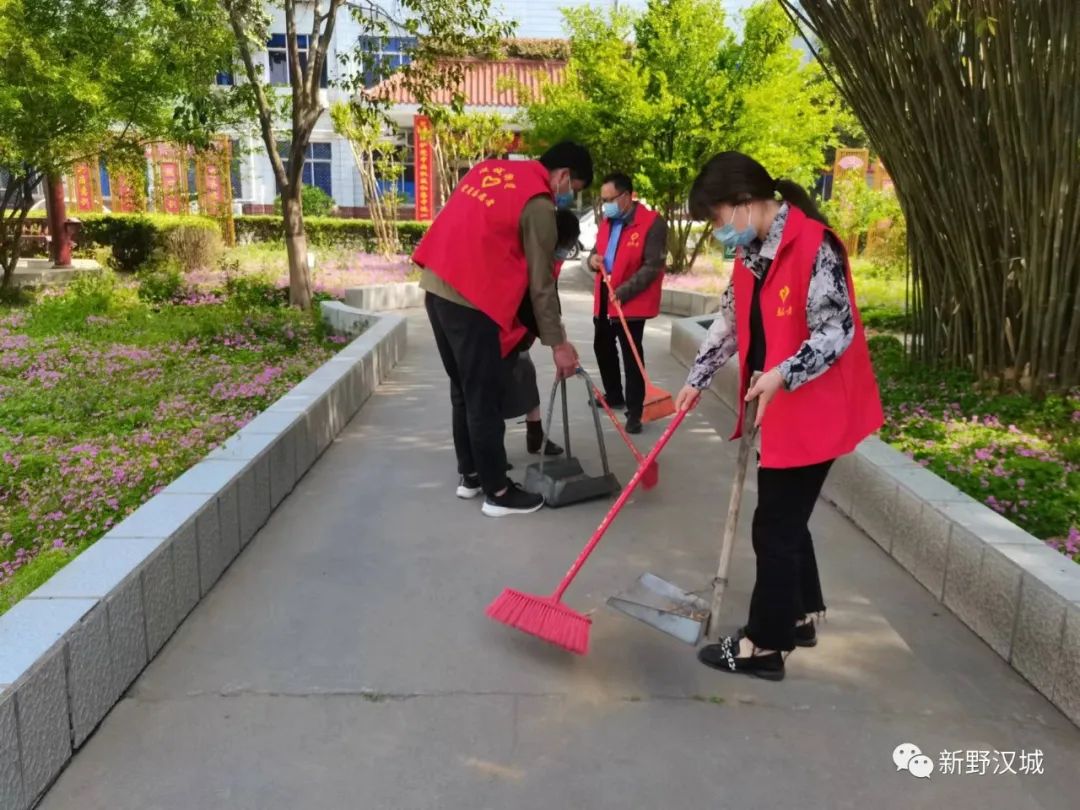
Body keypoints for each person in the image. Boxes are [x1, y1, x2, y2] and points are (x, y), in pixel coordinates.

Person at [675, 152, 883, 680]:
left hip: (817, 410)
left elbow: (837, 331)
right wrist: (694, 381)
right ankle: (800, 614)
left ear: (745, 204)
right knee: (788, 520)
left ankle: (765, 646)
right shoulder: (751, 255)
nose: (720, 231)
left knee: (774, 528)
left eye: (719, 220)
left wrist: (783, 373)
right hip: (784, 406)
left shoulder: (815, 247)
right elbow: (727, 321)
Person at [412, 142, 592, 518]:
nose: (566, 195)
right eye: (571, 188)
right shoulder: (539, 203)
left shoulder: (488, 170)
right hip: (472, 302)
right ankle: (498, 492)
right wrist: (557, 344)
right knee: (484, 398)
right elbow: (540, 281)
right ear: (561, 176)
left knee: (463, 391)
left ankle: (472, 475)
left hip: (437, 288)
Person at [586, 173, 667, 434]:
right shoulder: (607, 220)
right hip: (605, 297)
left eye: (611, 199)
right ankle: (613, 394)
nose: (606, 205)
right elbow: (595, 251)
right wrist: (592, 261)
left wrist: (623, 291)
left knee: (632, 355)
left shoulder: (652, 223)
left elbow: (652, 265)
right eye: (604, 200)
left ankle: (635, 411)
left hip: (630, 302)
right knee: (603, 346)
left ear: (627, 196)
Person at [501, 209, 582, 457]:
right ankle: (490, 457)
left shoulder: (550, 259)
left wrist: (561, 337)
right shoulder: (527, 258)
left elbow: (550, 296)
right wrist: (557, 345)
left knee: (526, 374)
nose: (563, 253)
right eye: (564, 245)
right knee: (493, 390)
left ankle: (535, 434)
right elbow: (528, 304)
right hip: (501, 326)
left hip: (520, 333)